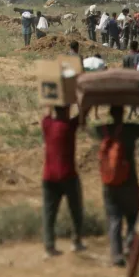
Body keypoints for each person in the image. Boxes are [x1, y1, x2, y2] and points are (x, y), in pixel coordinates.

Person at [96, 99, 139, 267]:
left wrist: (85, 108)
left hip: (109, 183)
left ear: (110, 114)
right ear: (123, 113)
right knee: (134, 217)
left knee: (114, 219)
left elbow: (82, 125)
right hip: (129, 182)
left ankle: (116, 255)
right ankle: (129, 244)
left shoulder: (102, 130)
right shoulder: (130, 130)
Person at [41, 105, 84, 258]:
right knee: (76, 210)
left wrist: (51, 100)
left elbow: (46, 112)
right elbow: (83, 114)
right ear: (66, 111)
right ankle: (76, 242)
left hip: (49, 176)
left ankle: (49, 247)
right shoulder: (69, 126)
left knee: (49, 213)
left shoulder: (47, 125)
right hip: (68, 175)